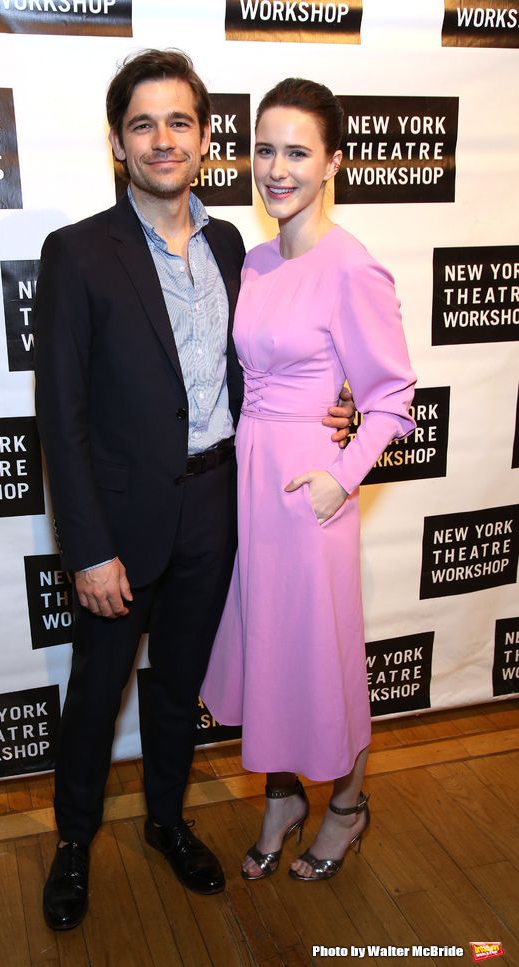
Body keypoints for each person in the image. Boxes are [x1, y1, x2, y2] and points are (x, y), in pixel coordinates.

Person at [34, 51, 354, 929]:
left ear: (207, 139)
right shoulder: (76, 253)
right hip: (121, 521)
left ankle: (167, 822)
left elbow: (272, 365)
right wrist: (88, 545)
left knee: (179, 683)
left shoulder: (230, 247)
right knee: (98, 688)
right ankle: (72, 841)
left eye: (180, 122)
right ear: (117, 142)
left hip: (220, 506)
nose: (162, 139)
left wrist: (337, 406)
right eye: (143, 124)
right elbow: (60, 418)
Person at [201, 77, 416, 882]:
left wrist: (340, 473)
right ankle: (283, 798)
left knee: (325, 657)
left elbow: (395, 399)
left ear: (333, 162)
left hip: (309, 496)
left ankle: (350, 804)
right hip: (251, 482)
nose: (276, 168)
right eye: (264, 149)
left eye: (297, 151)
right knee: (270, 652)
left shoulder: (353, 267)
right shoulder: (254, 261)